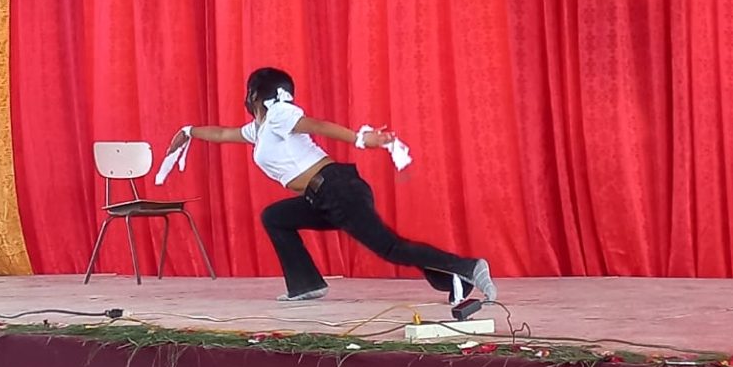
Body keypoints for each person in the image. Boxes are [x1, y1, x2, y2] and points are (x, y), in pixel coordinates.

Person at [167, 67, 496, 315]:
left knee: (390, 248)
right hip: (320, 196)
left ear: (254, 95)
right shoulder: (260, 128)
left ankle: (467, 267)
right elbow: (224, 134)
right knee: (276, 216)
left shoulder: (280, 113)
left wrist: (361, 139)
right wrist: (188, 132)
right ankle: (306, 284)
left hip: (337, 189)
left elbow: (315, 125)